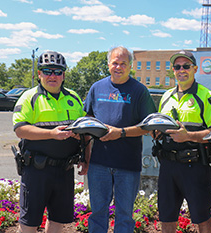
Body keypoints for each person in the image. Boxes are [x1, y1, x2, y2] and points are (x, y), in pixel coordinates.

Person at [79, 46, 156, 233]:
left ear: (131, 66)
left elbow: (148, 126)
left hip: (127, 165)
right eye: (115, 62)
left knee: (124, 216)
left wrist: (121, 132)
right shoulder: (97, 88)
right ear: (108, 64)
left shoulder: (139, 91)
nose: (118, 67)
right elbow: (86, 126)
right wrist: (85, 158)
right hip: (99, 164)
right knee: (97, 214)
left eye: (123, 63)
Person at [12, 51, 86, 233]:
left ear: (64, 75)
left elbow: (85, 131)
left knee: (57, 221)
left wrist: (84, 157)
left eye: (58, 71)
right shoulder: (29, 97)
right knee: (28, 224)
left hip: (65, 171)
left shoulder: (74, 98)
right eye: (47, 71)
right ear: (39, 74)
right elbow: (20, 129)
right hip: (36, 171)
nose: (52, 76)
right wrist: (51, 134)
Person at [153, 50, 211, 233]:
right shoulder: (166, 97)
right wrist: (156, 133)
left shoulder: (206, 96)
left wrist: (189, 136)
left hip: (195, 166)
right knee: (167, 216)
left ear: (195, 68)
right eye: (177, 67)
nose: (181, 70)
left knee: (201, 217)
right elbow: (162, 127)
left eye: (186, 66)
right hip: (168, 165)